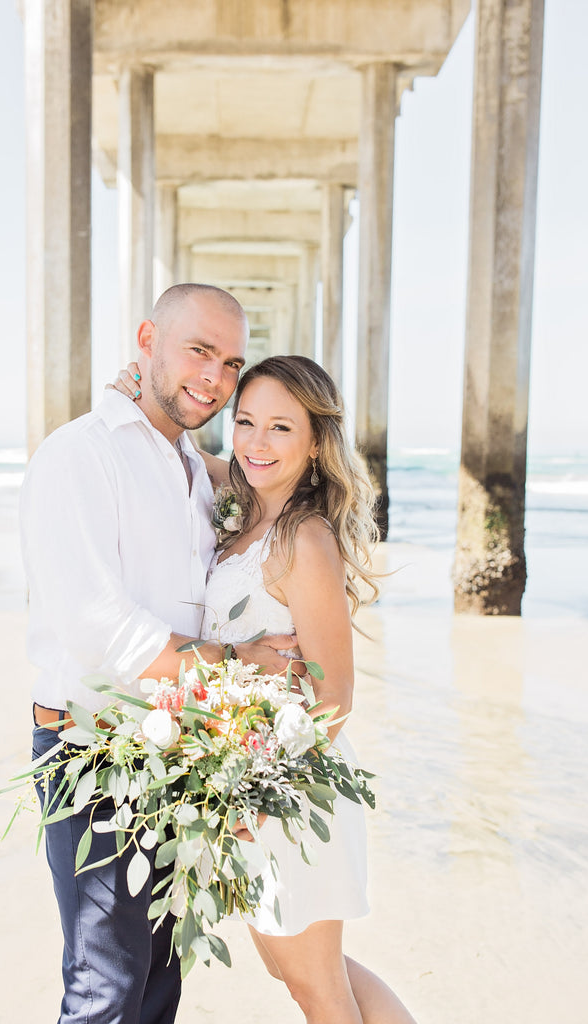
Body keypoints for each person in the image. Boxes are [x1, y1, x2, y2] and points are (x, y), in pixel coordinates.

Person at [20, 283, 299, 1024]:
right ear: (147, 339)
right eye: (198, 350)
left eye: (230, 363)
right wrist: (238, 662)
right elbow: (97, 626)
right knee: (105, 987)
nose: (214, 377)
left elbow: (267, 498)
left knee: (158, 984)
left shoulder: (192, 469)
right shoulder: (79, 454)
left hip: (180, 754)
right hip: (94, 748)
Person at [115, 354, 418, 1023]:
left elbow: (334, 696)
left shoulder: (302, 538)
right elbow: (185, 452)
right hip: (252, 781)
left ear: (315, 442)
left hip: (288, 788)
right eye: (245, 421)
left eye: (281, 428)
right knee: (297, 968)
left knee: (314, 984)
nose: (256, 442)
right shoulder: (240, 514)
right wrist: (141, 390)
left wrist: (256, 792)